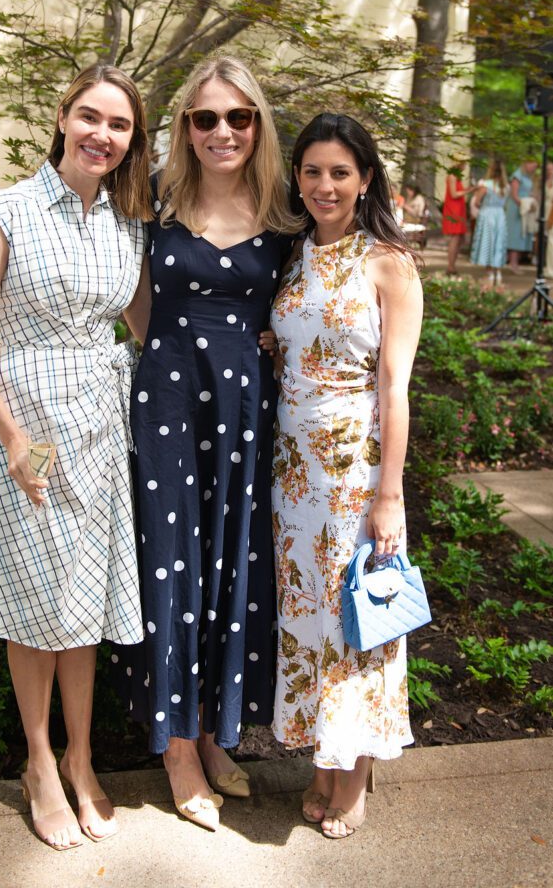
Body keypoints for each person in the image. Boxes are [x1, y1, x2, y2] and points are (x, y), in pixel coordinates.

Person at [0, 65, 152, 850]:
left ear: (131, 139)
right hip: (33, 427)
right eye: (89, 117)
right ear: (62, 117)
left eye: (118, 125)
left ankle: (83, 757)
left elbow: (146, 327)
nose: (101, 135)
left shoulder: (128, 223)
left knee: (81, 599)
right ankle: (40, 764)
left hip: (100, 427)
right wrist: (15, 440)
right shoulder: (6, 212)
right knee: (37, 600)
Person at [116, 54, 302, 831]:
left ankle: (217, 729)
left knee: (233, 563)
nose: (221, 130)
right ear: (184, 129)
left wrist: (255, 346)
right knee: (172, 565)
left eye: (237, 117)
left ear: (256, 125)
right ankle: (178, 750)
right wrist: (175, 352)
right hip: (167, 404)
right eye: (204, 118)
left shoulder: (285, 209)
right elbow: (131, 301)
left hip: (247, 412)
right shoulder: (152, 203)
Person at [271, 113, 423, 839]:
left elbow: (394, 388)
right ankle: (322, 763)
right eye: (312, 171)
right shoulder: (292, 254)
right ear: (295, 179)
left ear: (364, 179)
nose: (324, 185)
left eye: (339, 172)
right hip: (290, 474)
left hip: (355, 473)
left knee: (354, 619)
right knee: (307, 619)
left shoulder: (387, 261)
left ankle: (355, 770)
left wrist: (389, 495)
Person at [470, 158, 509, 288]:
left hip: (488, 214)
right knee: (498, 242)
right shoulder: (506, 186)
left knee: (488, 242)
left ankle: (489, 272)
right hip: (500, 215)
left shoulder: (486, 185)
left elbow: (476, 201)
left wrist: (482, 204)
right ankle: (498, 272)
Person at [442, 161, 478, 275]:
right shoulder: (452, 176)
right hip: (453, 210)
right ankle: (450, 266)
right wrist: (469, 190)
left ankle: (452, 265)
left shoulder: (457, 177)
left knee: (459, 239)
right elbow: (454, 194)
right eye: (464, 164)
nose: (465, 167)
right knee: (455, 238)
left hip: (458, 209)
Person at [504, 158, 537, 272]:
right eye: (533, 165)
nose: (534, 168)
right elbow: (514, 195)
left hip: (524, 209)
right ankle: (513, 264)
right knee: (515, 236)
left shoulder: (528, 177)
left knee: (522, 236)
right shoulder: (517, 176)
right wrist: (524, 204)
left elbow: (527, 192)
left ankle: (515, 263)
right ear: (526, 163)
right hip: (516, 210)